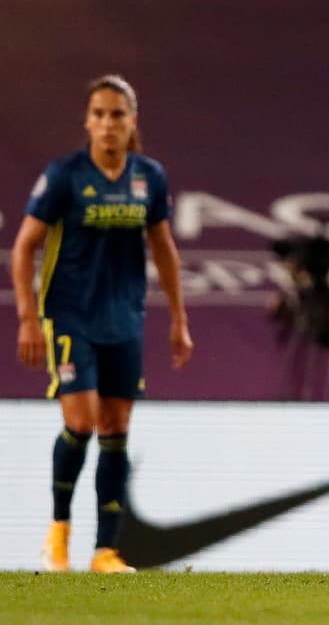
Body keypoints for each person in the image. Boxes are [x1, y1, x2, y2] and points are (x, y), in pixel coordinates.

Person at [11, 75, 194, 574]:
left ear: (132, 121)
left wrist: (178, 319)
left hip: (124, 320)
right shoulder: (65, 175)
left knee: (117, 430)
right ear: (87, 122)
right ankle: (58, 533)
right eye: (98, 114)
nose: (107, 124)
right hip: (71, 316)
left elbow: (164, 248)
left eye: (117, 114)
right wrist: (28, 318)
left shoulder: (148, 177)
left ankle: (106, 551)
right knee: (82, 422)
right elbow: (26, 244)